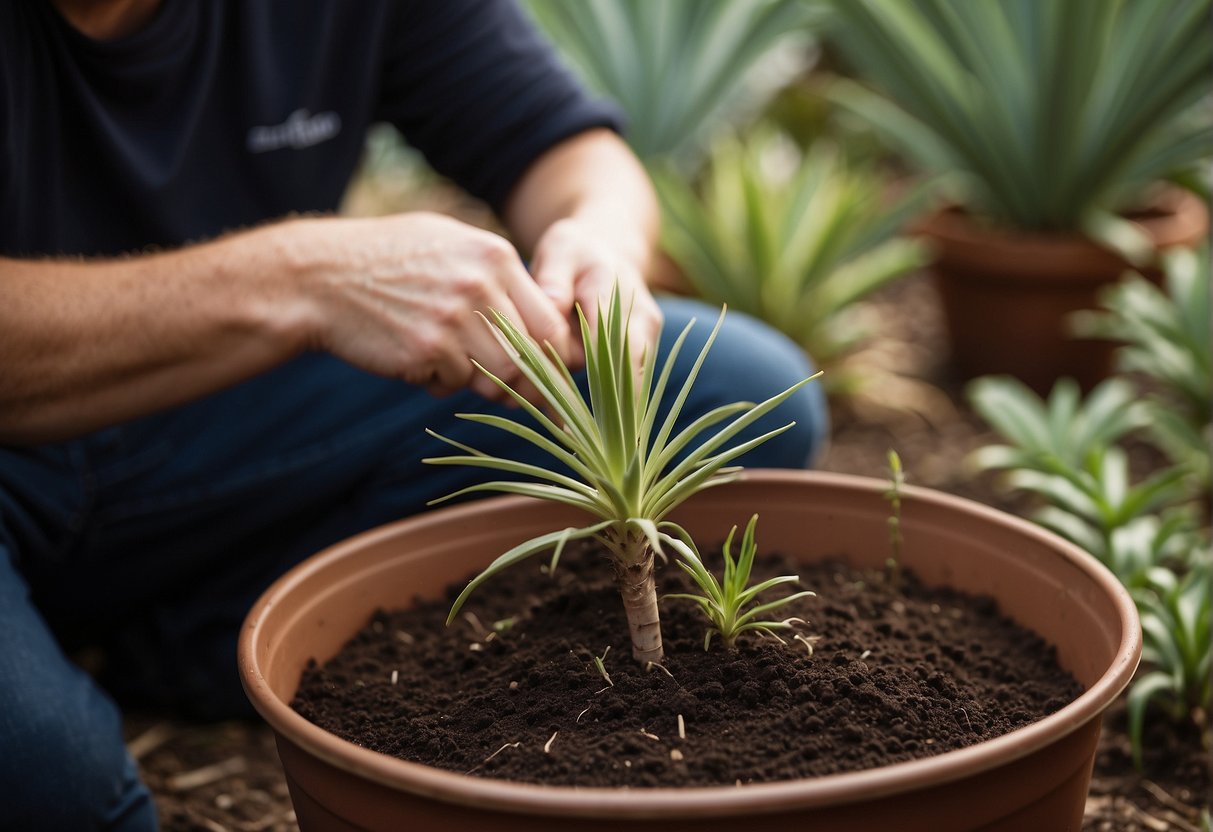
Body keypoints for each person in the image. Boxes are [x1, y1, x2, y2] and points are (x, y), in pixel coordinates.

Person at [0, 0, 828, 828]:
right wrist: (300, 278)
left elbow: (573, 155)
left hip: (223, 423)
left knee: (737, 391)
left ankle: (193, 639)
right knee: (62, 799)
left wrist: (599, 244)